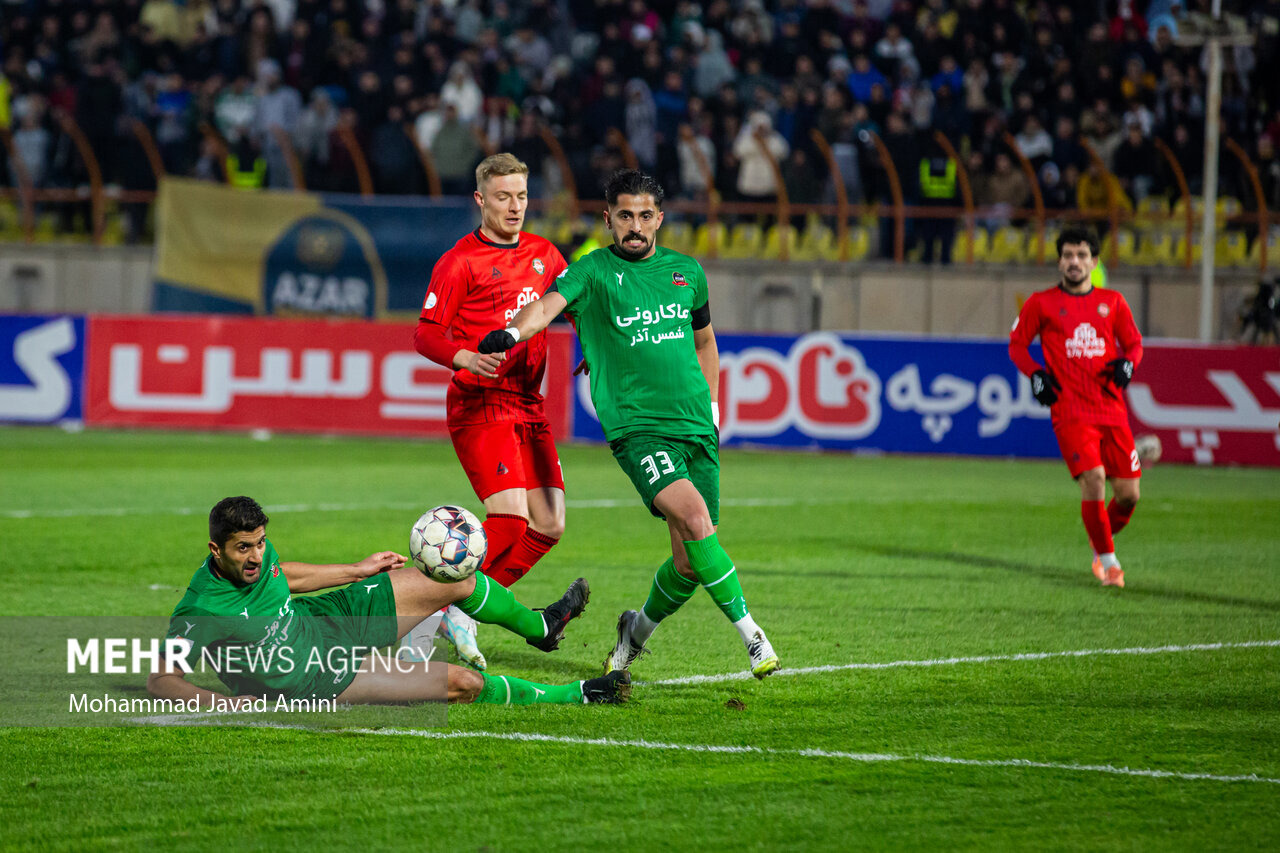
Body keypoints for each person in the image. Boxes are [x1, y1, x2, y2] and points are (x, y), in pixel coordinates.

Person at [476, 169, 780, 679]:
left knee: (688, 563)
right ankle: (753, 636)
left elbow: (705, 341)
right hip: (638, 430)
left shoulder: (687, 272)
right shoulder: (592, 272)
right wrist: (511, 334)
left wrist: (713, 411)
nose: (634, 226)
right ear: (608, 219)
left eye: (644, 216)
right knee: (696, 520)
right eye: (624, 216)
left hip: (696, 430)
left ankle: (633, 634)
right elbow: (546, 306)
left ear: (659, 219)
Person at [147, 497, 628, 709]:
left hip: (328, 620)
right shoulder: (201, 610)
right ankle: (580, 694)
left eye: (259, 543)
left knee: (457, 578)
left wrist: (355, 570)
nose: (255, 557)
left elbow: (281, 575)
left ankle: (541, 627)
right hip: (323, 678)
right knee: (463, 683)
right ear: (216, 551)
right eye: (242, 549)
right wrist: (227, 705)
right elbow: (162, 679)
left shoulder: (259, 553)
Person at [411, 153, 569, 670]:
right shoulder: (460, 261)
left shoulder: (546, 253)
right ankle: (429, 608)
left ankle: (459, 607)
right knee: (510, 516)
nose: (515, 206)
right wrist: (465, 356)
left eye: (522, 196)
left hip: (529, 402)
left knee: (548, 524)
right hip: (481, 401)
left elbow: (574, 299)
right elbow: (426, 332)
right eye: (503, 196)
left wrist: (593, 341)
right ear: (481, 200)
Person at [1009, 227, 1144, 588]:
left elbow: (1134, 343)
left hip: (1111, 409)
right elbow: (1017, 345)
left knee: (1129, 495)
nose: (1074, 262)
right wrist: (1036, 374)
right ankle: (1110, 565)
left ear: (1094, 262)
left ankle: (1099, 537)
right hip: (1070, 411)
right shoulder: (1041, 303)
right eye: (1068, 255)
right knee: (1095, 479)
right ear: (1059, 261)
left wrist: (1129, 363)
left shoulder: (1113, 302)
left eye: (1082, 255)